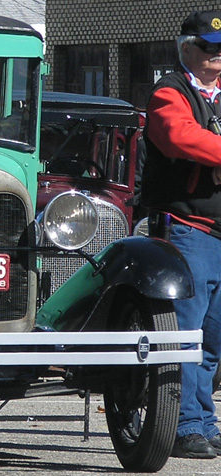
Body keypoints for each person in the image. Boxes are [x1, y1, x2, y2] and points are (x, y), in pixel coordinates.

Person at [141, 9, 221, 459]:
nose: (217, 57)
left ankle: (205, 420)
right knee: (186, 335)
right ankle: (184, 425)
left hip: (219, 230)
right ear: (186, 48)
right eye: (209, 48)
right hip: (189, 228)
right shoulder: (169, 90)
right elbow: (178, 136)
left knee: (213, 338)